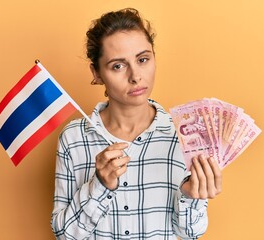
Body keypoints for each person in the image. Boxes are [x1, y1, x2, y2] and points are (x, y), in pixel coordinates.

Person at [51, 8, 222, 239]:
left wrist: (190, 196)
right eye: (118, 66)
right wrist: (100, 185)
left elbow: (190, 233)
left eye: (143, 59)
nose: (135, 76)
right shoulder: (73, 139)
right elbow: (65, 235)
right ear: (97, 73)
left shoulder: (185, 135)